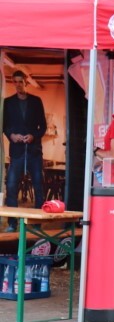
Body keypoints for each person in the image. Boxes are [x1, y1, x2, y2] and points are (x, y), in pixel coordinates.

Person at [3, 69, 47, 221]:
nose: (18, 85)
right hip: (16, 151)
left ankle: (37, 222)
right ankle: (12, 222)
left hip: (34, 151)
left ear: (26, 82)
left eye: (20, 82)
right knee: (11, 186)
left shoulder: (36, 101)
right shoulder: (8, 102)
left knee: (38, 186)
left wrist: (33, 136)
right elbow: (5, 125)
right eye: (15, 82)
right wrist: (11, 135)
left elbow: (43, 126)